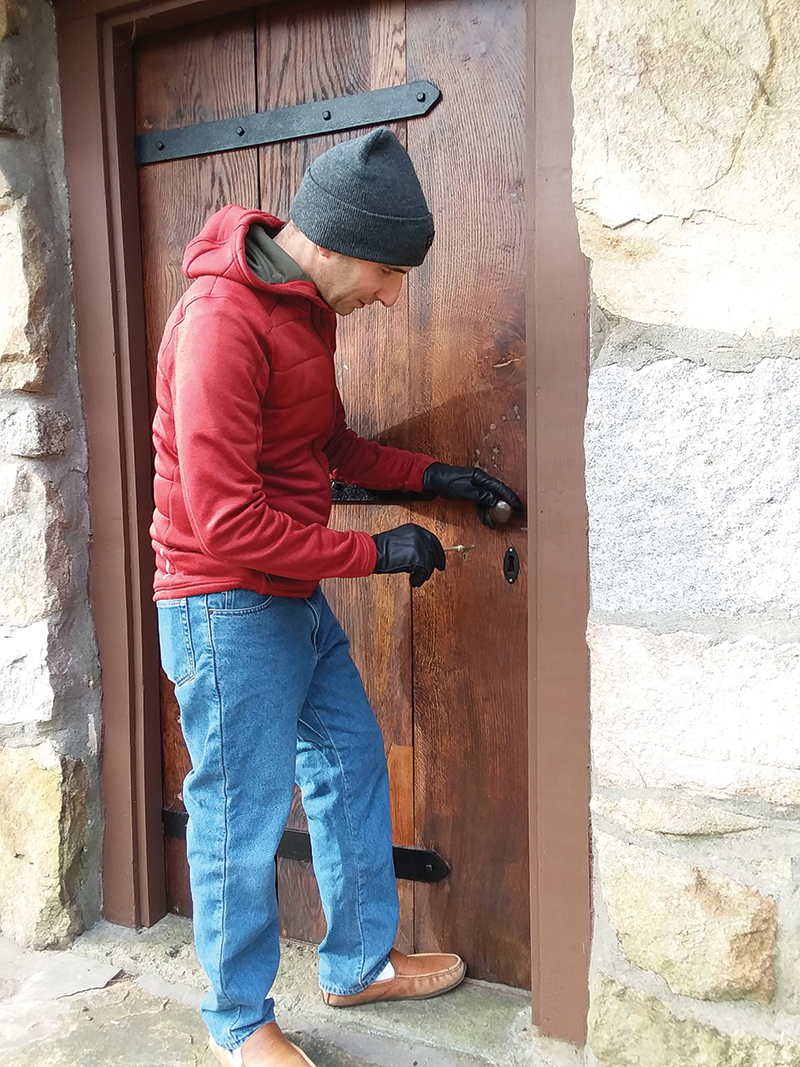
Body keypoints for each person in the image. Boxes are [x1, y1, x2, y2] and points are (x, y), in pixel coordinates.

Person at [151, 127, 523, 1067]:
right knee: (239, 813)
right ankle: (238, 1022)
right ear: (340, 243)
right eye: (391, 272)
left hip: (287, 595)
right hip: (224, 602)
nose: (395, 296)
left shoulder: (301, 309)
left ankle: (356, 961)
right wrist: (376, 553)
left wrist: (438, 476)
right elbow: (225, 519)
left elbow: (331, 452)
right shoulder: (220, 325)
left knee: (350, 759)